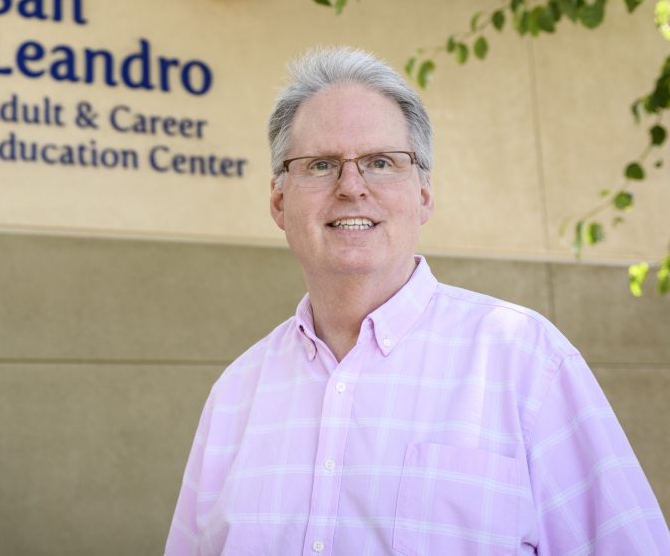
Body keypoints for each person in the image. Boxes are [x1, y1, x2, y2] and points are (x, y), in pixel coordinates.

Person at [165, 47, 670, 555]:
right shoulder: (235, 395)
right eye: (320, 165)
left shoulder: (524, 360)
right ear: (279, 200)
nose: (351, 187)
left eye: (380, 162)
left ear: (424, 193)